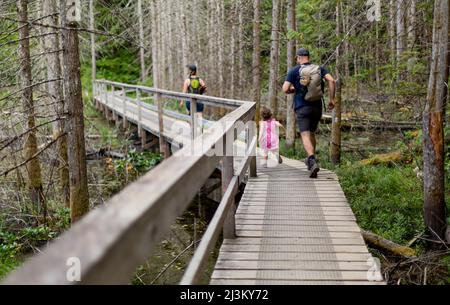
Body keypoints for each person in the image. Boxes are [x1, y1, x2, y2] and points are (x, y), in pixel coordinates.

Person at [282, 48, 336, 178]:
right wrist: (332, 99)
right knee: (312, 133)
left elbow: (285, 89)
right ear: (308, 57)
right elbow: (332, 80)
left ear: (299, 58)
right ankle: (312, 160)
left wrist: (292, 90)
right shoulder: (319, 68)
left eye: (297, 58)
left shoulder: (294, 71)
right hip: (317, 107)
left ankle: (311, 159)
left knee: (305, 134)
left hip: (302, 107)